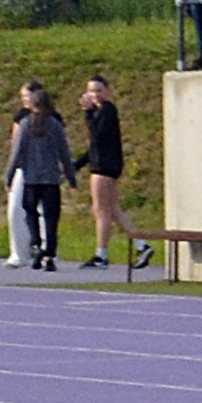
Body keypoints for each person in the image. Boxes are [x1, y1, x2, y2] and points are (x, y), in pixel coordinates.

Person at [72, 75, 152, 270]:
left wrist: (88, 113)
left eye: (98, 90)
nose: (95, 95)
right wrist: (75, 165)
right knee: (113, 208)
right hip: (103, 163)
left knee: (101, 210)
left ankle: (102, 254)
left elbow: (97, 136)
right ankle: (141, 244)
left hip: (105, 166)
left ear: (106, 91)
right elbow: (94, 146)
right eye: (91, 91)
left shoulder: (107, 110)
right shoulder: (100, 111)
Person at [5, 80, 71, 271]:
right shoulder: (22, 117)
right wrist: (11, 171)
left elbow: (60, 148)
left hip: (47, 172)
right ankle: (19, 253)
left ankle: (46, 251)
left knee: (47, 214)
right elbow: (15, 144)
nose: (24, 100)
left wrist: (63, 170)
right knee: (18, 210)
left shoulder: (53, 119)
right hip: (25, 168)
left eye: (26, 96)